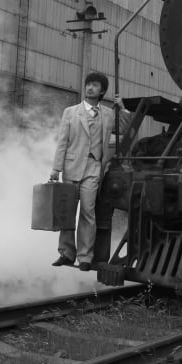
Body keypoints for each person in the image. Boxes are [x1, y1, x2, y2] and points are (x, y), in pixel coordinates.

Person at [49, 71, 130, 271]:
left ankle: (85, 257)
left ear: (102, 91)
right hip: (71, 167)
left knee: (88, 212)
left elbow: (126, 131)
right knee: (67, 213)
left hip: (94, 168)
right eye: (88, 84)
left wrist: (123, 109)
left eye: (95, 85)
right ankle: (66, 253)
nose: (90, 88)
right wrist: (55, 169)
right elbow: (62, 142)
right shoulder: (70, 112)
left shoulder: (109, 114)